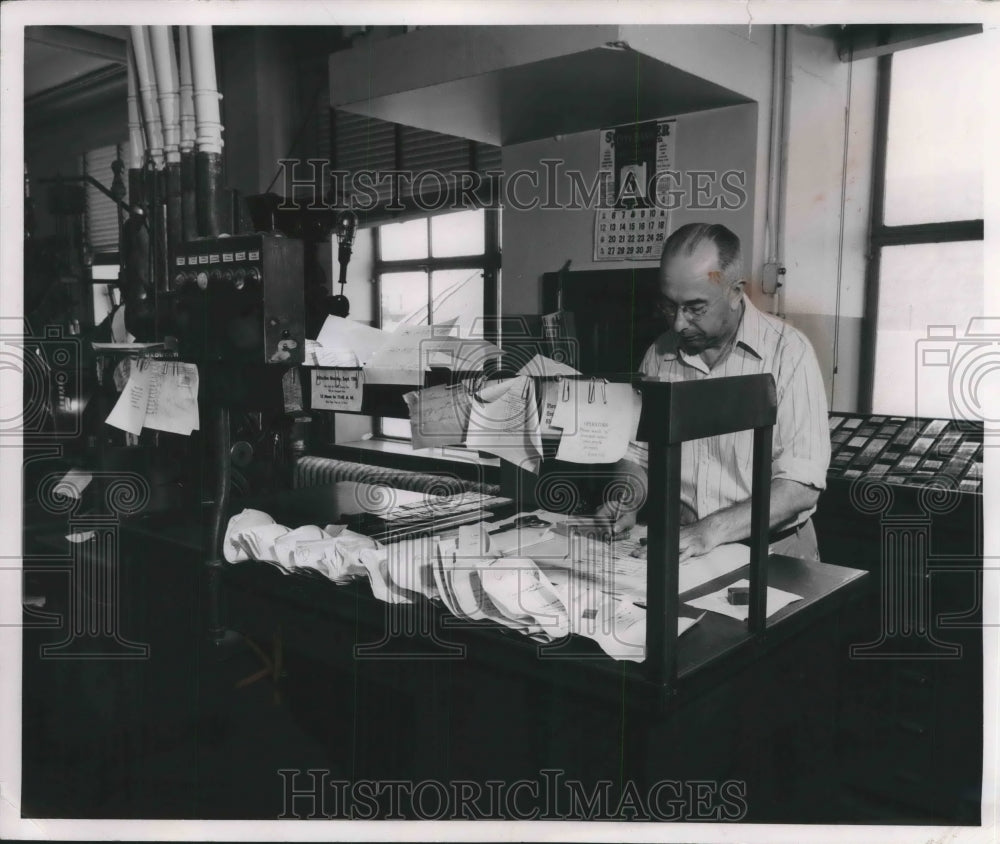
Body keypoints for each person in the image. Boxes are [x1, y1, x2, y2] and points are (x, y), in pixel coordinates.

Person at [599, 222, 831, 562]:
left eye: (695, 308)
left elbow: (801, 486)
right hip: (688, 544)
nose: (678, 323)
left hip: (774, 549)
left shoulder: (788, 353)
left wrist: (709, 531)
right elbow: (636, 454)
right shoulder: (659, 354)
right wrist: (627, 498)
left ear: (735, 292)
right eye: (669, 306)